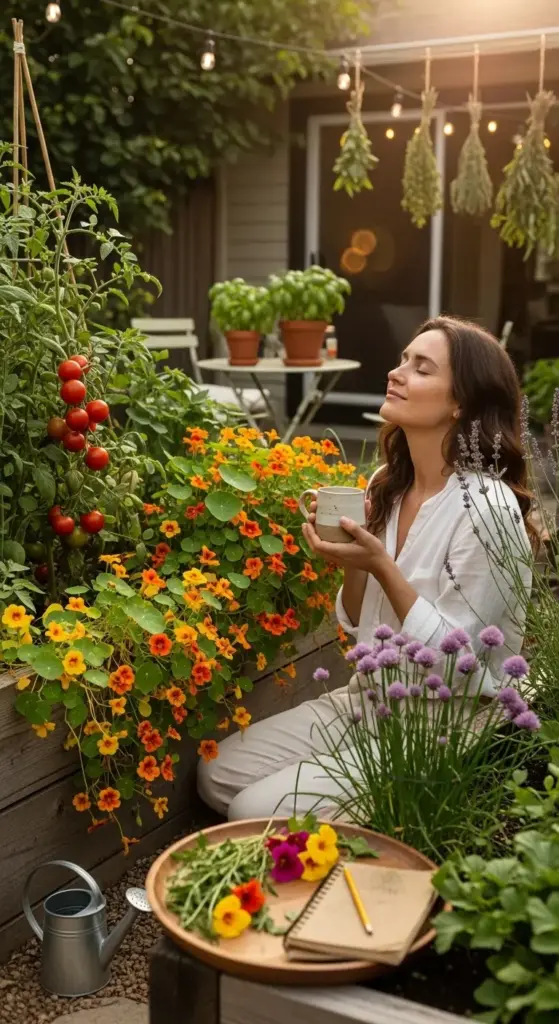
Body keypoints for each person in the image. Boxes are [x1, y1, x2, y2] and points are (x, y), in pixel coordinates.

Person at [198, 316, 533, 821]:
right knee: (215, 773)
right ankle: (343, 806)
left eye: (421, 368)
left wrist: (381, 565)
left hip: (443, 724)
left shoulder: (487, 506)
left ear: (461, 402)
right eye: (403, 360)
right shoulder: (387, 483)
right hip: (371, 699)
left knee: (249, 811)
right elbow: (359, 627)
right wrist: (351, 561)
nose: (396, 373)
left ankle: (424, 808)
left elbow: (458, 665)